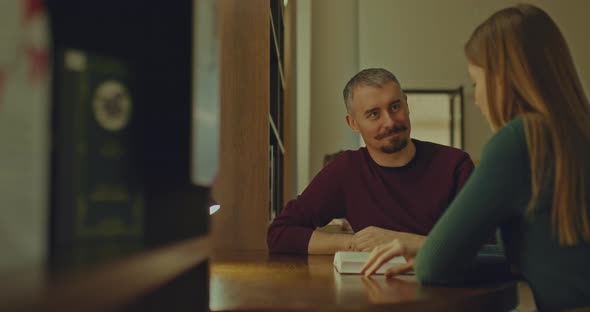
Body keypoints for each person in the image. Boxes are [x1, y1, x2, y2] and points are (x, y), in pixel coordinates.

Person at [361, 4, 590, 311]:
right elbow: (540, 256)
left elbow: (433, 267)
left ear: (501, 79)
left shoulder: (520, 141)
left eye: (475, 81)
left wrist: (430, 250)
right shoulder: (577, 132)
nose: (478, 96)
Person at [267, 68, 475, 254]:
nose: (390, 122)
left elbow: (486, 248)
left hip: (447, 293)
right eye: (374, 114)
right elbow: (280, 234)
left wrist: (405, 242)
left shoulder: (455, 165)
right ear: (353, 123)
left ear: (406, 104)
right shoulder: (346, 170)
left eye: (395, 107)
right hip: (375, 292)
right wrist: (355, 243)